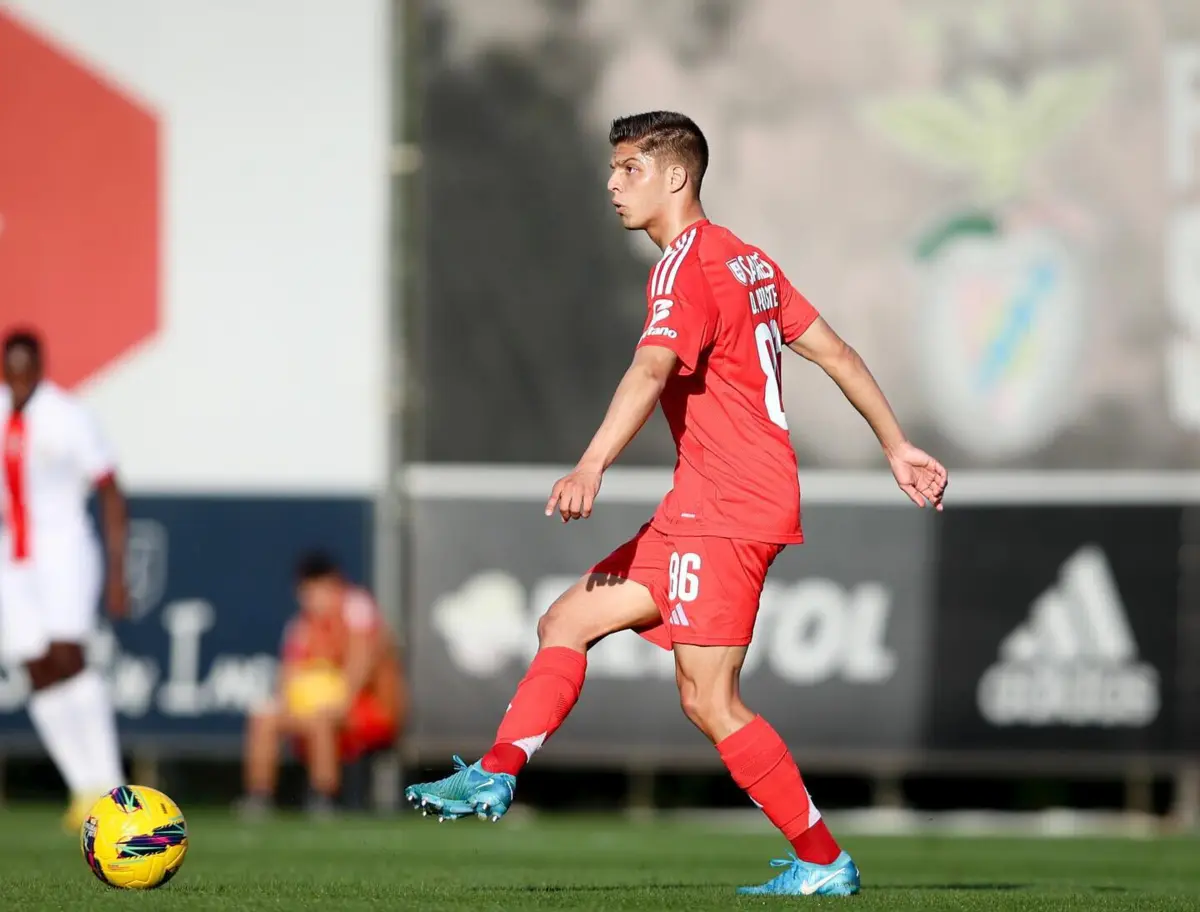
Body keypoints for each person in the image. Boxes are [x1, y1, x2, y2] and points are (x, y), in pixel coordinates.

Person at [404, 111, 948, 897]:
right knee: (567, 621)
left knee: (711, 700)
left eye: (628, 168)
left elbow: (651, 370)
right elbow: (833, 351)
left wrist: (590, 463)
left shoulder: (685, 269)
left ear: (675, 177)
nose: (612, 183)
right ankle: (495, 774)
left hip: (726, 509)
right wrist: (895, 444)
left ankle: (826, 861)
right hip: (701, 504)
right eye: (614, 167)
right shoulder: (747, 260)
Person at [0, 329, 130, 832]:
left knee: (68, 655)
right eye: (11, 367)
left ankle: (113, 786)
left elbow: (111, 489)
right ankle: (83, 789)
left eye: (27, 366)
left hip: (63, 549)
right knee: (35, 665)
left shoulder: (67, 415)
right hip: (13, 556)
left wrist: (117, 572)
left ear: (40, 366)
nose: (20, 377)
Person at [240, 551, 406, 818]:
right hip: (319, 705)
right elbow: (289, 674)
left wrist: (340, 701)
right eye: (306, 591)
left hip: (368, 707)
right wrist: (287, 702)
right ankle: (259, 796)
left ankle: (323, 796)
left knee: (321, 718)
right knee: (264, 717)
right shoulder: (301, 625)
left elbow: (361, 664)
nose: (312, 599)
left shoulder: (357, 610)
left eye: (318, 590)